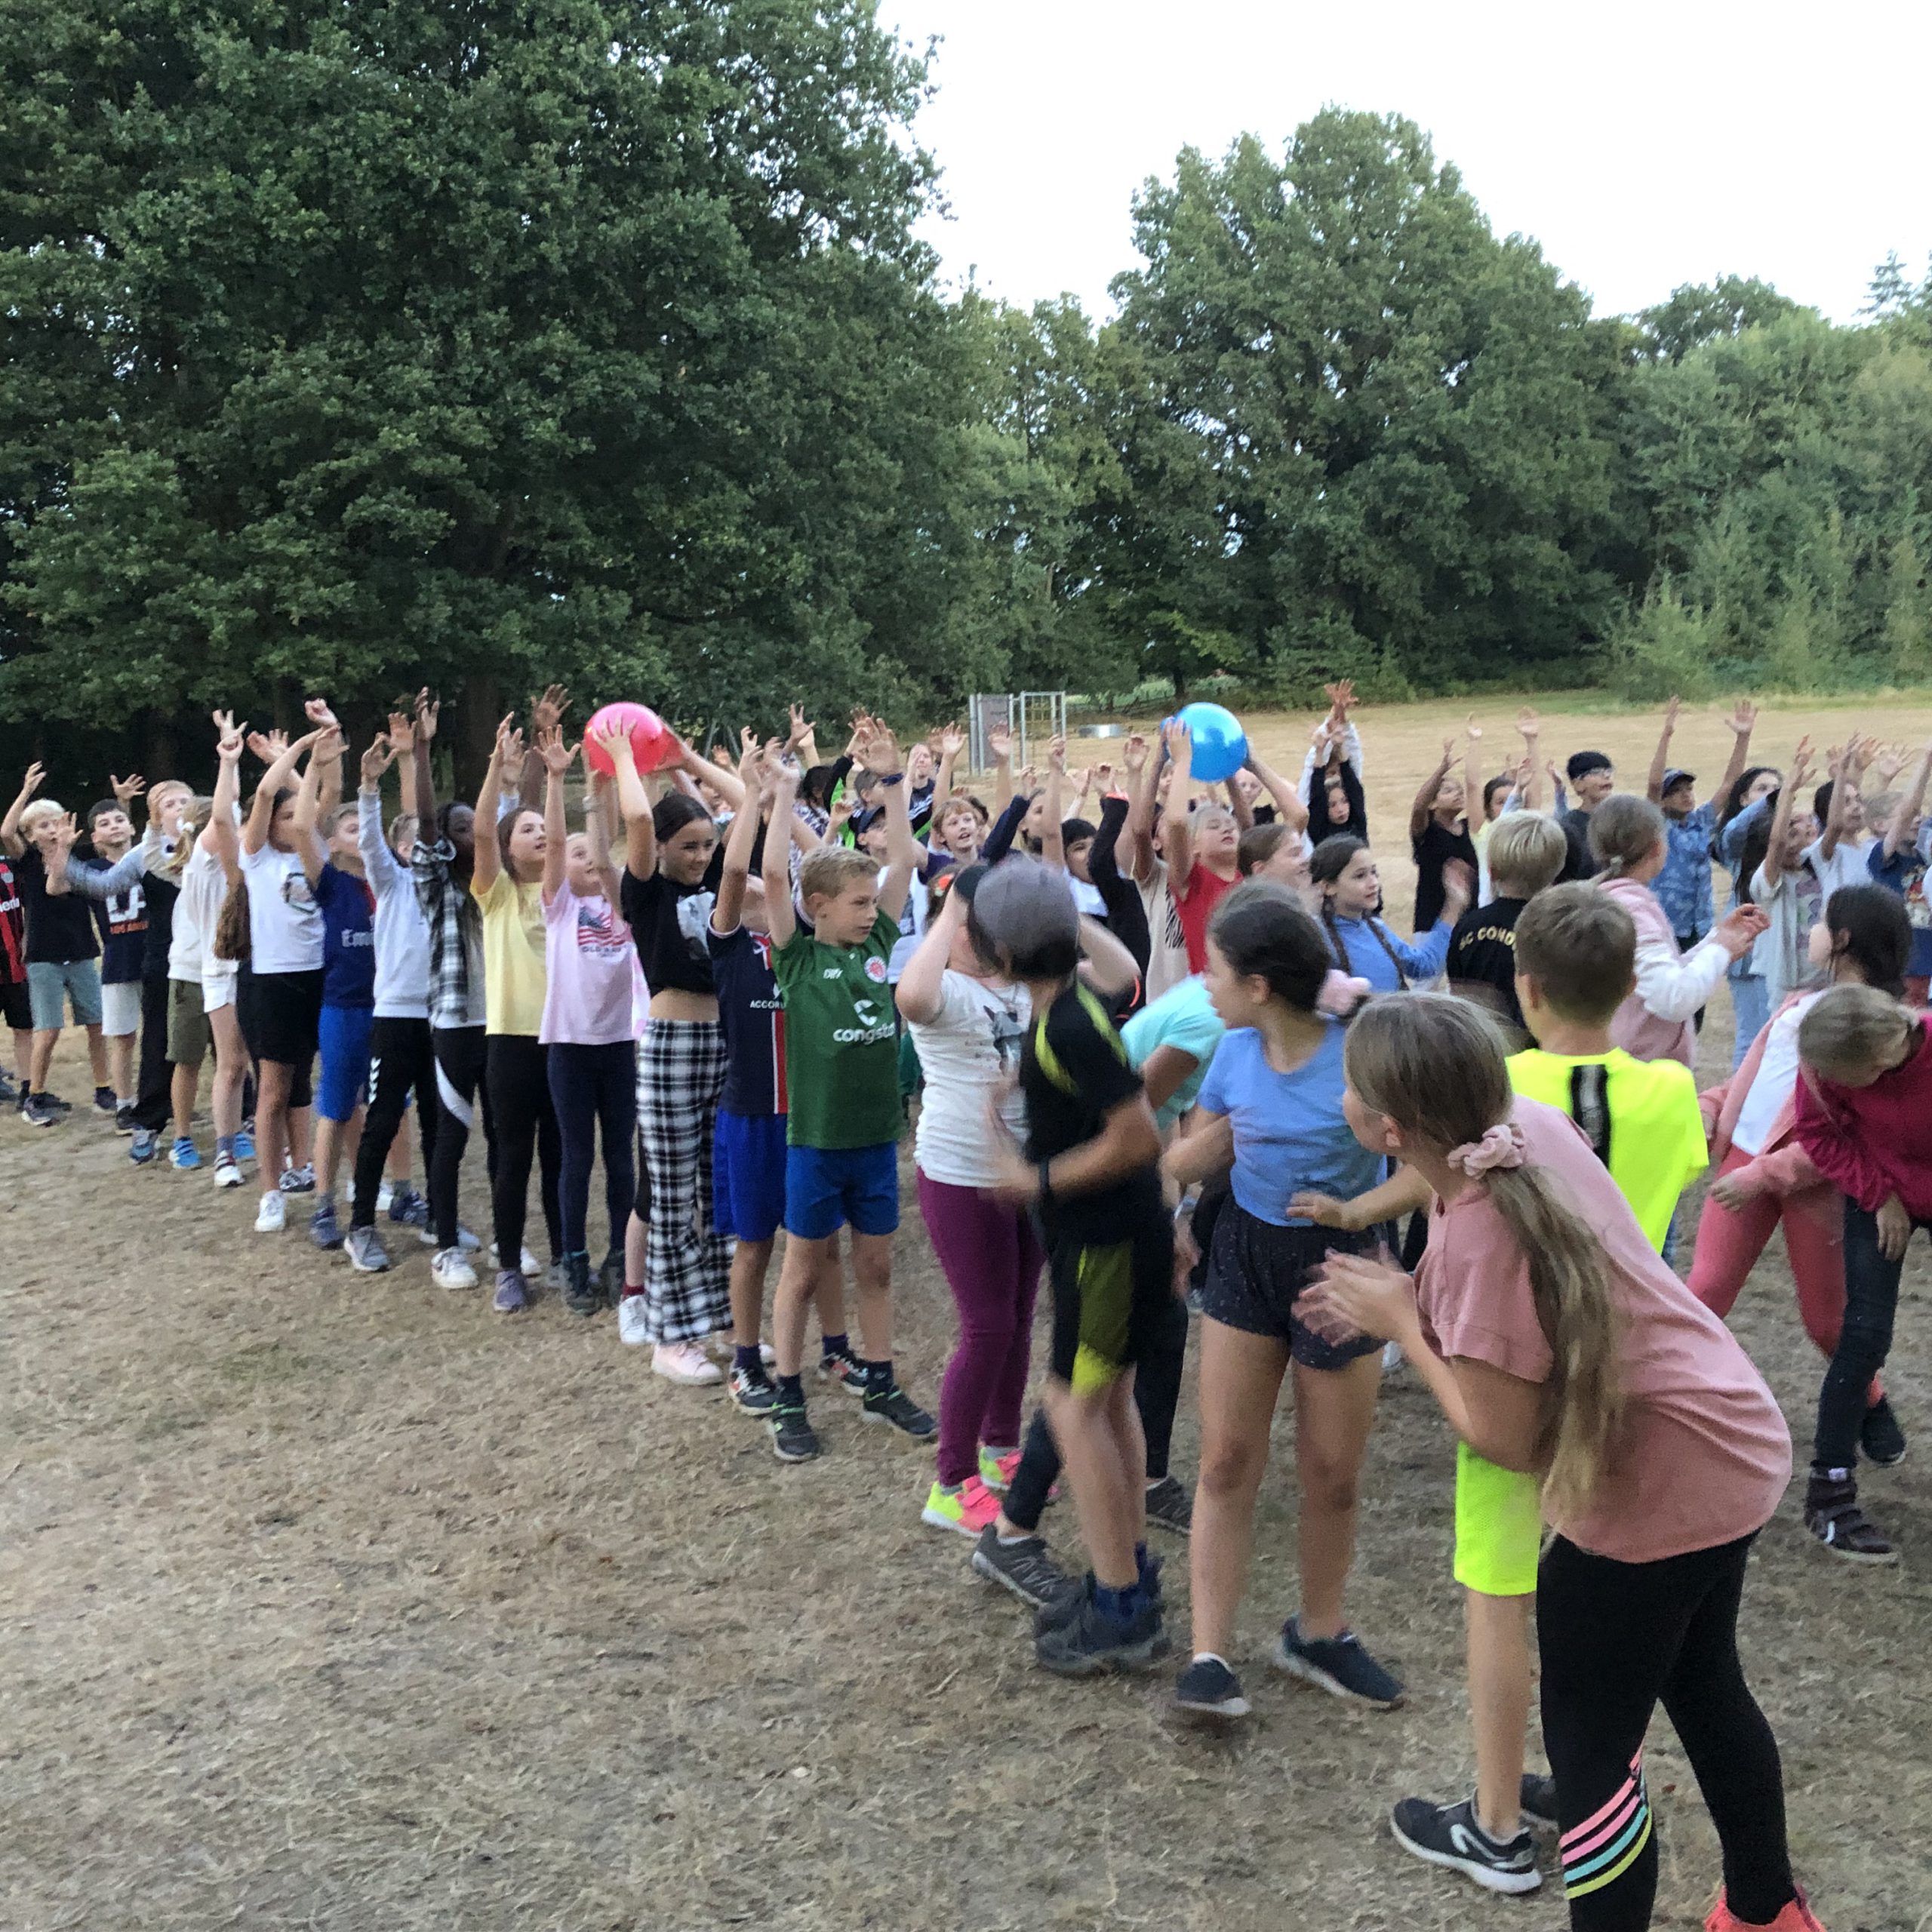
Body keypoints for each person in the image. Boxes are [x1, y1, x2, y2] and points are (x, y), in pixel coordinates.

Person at [1305, 996, 1818, 1932]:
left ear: (1388, 1128)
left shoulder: (1479, 1233)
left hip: (1654, 1494)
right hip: (1729, 1441)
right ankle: (1766, 1911)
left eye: (1349, 1084)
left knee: (1591, 1765)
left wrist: (1403, 1325)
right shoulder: (1522, 1127)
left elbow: (1501, 1438)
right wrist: (1412, 1295)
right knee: (1703, 1680)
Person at [1366, 887, 1711, 1897]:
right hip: (1626, 1383)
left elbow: (1448, 1183)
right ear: (1631, 983)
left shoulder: (1500, 1088)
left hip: (1506, 1371)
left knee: (1499, 1598)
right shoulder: (1669, 1091)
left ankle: (1496, 1822)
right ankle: (1591, 1782)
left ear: (1523, 988)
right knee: (1602, 1604)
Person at [1163, 882, 1410, 1720]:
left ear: (1260, 985)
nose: (1203, 982)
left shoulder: (1362, 1053)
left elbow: (1432, 1165)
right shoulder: (1233, 1050)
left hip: (1339, 1266)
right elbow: (1203, 1150)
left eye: (1215, 969)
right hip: (1245, 1255)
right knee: (1226, 1460)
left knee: (1331, 1471)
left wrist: (1357, 1214)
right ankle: (1208, 1658)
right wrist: (1173, 1209)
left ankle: (1319, 1633)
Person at [971, 858, 1172, 1675]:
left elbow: (1137, 1136)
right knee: (1108, 1400)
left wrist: (1037, 1180)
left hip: (1104, 1245)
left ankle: (1119, 1606)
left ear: (1000, 959)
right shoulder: (1072, 1001)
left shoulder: (1068, 1025)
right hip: (1114, 1238)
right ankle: (1128, 1575)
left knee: (1071, 1406)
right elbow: (1119, 974)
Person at [1690, 886, 1912, 1473]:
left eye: (1820, 920)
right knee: (1705, 1290)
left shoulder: (1868, 1029)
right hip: (1743, 1163)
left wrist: (1766, 1174)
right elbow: (1757, 1077)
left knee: (1828, 1321)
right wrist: (1713, 1106)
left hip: (1813, 1186)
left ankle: (1871, 1400)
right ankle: (1659, 1398)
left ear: (1843, 940)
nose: (1810, 927)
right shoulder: (1799, 1003)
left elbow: (1842, 1138)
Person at [760, 731, 933, 1461]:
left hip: (873, 1142)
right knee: (802, 1270)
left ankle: (880, 1381)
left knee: (877, 1266)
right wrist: (781, 792)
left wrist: (893, 781)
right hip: (817, 1145)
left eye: (872, 902)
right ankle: (787, 1393)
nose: (870, 912)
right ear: (818, 906)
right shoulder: (797, 958)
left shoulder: (877, 946)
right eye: (858, 903)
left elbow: (903, 860)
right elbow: (774, 875)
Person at [704, 746, 854, 1414]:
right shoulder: (730, 944)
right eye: (752, 890)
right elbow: (738, 869)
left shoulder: (812, 947)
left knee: (822, 1244)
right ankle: (745, 1360)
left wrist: (787, 797)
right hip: (751, 1116)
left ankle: (838, 1347)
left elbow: (827, 864)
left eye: (781, 887)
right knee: (755, 1245)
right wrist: (751, 798)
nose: (761, 892)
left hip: (811, 1118)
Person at [897, 863, 1041, 1536]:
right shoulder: (944, 988)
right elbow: (910, 997)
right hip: (960, 1173)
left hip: (1025, 1171)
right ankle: (951, 1483)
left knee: (1018, 1315)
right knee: (986, 1325)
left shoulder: (1020, 984)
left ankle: (1000, 1448)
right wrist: (954, 906)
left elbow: (1119, 974)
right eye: (976, 922)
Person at [609, 729, 742, 1377]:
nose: (700, 856)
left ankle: (725, 1322)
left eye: (707, 845)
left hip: (725, 1043)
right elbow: (638, 818)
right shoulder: (645, 889)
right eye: (687, 846)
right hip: (670, 1048)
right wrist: (624, 759)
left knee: (722, 1190)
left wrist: (688, 761)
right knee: (670, 1193)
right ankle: (670, 1338)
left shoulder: (714, 875)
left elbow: (751, 807)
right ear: (661, 847)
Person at [1795, 983, 1932, 1564]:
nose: (1823, 1082)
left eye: (1834, 1076)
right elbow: (1817, 1131)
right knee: (1865, 1334)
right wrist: (1879, 1195)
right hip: (1881, 1195)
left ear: (1876, 1061)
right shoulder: (1826, 1059)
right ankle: (1828, 1494)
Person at [530, 727, 640, 1316]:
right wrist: (556, 781)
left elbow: (607, 850)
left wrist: (601, 795)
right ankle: (573, 1259)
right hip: (570, 1046)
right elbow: (555, 845)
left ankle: (621, 1255)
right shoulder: (561, 906)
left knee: (621, 1155)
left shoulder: (622, 904)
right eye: (576, 856)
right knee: (577, 1156)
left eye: (592, 855)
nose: (587, 861)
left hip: (619, 1044)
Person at [472, 712, 564, 1312]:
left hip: (564, 1039)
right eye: (525, 829)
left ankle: (565, 1259)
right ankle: (509, 1266)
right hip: (509, 1040)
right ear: (508, 848)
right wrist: (495, 769)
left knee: (561, 1156)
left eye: (542, 829)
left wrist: (554, 779)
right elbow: (482, 831)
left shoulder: (564, 892)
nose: (538, 834)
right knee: (513, 1157)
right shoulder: (498, 894)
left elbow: (566, 841)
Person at [344, 713, 437, 1273]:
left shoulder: (452, 891)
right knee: (382, 1120)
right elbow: (373, 843)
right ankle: (361, 1226)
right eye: (417, 840)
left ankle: (441, 1219)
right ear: (399, 849)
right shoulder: (391, 880)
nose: (428, 846)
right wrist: (370, 785)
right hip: (397, 1017)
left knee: (440, 1122)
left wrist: (415, 755)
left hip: (444, 1018)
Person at [410, 693, 492, 1291]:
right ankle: (445, 1245)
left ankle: (507, 1242)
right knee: (451, 1134)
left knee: (508, 1136)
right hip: (456, 1021)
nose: (470, 834)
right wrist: (421, 750)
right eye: (459, 828)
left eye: (473, 826)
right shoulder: (436, 885)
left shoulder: (500, 884)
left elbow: (508, 820)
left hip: (505, 1022)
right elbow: (426, 826)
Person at [1589, 795, 1767, 1068]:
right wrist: (1720, 950)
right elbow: (1674, 999)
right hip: (1644, 1073)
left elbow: (1661, 975)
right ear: (1657, 847)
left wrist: (1717, 939)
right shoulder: (1632, 909)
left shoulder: (1615, 898)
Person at [237, 725, 331, 1227]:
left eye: (302, 818)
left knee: (321, 1081)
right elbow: (264, 795)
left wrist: (302, 765)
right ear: (271, 825)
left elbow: (314, 800)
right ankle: (271, 1192)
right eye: (287, 818)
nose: (297, 824)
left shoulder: (319, 856)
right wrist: (294, 751)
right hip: (274, 982)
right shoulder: (257, 859)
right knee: (273, 1091)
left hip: (323, 978)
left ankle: (318, 1172)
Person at [291, 737, 377, 1251]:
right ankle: (324, 1204)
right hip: (344, 1008)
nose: (362, 834)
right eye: (351, 829)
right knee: (337, 1107)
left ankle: (393, 1192)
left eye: (368, 826)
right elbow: (302, 827)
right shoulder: (330, 883)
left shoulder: (394, 881)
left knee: (390, 1109)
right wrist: (315, 767)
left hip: (390, 1011)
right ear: (335, 843)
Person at [2, 767, 110, 1125]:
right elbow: (6, 832)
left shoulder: (77, 855)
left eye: (56, 822)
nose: (51, 829)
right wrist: (25, 792)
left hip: (81, 950)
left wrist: (122, 802)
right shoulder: (27, 862)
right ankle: (34, 1096)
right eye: (43, 825)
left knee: (97, 1024)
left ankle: (104, 1088)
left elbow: (111, 844)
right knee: (48, 1031)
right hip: (43, 956)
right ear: (31, 835)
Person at [180, 713, 253, 1184]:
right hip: (222, 972)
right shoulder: (205, 860)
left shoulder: (237, 858)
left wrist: (234, 760)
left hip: (256, 969)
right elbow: (226, 813)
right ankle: (225, 1152)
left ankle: (276, 1145)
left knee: (264, 1064)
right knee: (232, 1064)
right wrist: (228, 760)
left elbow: (232, 809)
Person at [1645, 697, 1758, 954]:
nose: (1686, 795)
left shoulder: (1701, 821)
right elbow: (1653, 785)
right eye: (1676, 791)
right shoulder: (1655, 824)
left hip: (1700, 923)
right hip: (1664, 925)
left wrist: (1743, 738)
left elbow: (1730, 784)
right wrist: (1666, 735)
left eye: (1688, 789)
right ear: (1662, 800)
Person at [1447, 813, 1568, 1049]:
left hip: (1478, 1047)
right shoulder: (1555, 930)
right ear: (1557, 870)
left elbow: (1456, 990)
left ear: (1491, 872)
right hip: (1535, 1052)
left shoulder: (1468, 925)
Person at [1311, 834, 1466, 992]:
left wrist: (1453, 905)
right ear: (1328, 887)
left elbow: (1424, 966)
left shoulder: (1377, 928)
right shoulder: (1317, 939)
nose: (1373, 883)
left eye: (1374, 872)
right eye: (1360, 876)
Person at [1160, 718, 1244, 976]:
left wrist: (1238, 763)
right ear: (1192, 845)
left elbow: (1299, 816)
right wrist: (1183, 760)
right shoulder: (1191, 880)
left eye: (1230, 825)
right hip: (1211, 992)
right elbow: (1177, 822)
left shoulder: (1250, 872)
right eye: (1214, 826)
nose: (1227, 829)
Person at [1749, 742, 1827, 1012]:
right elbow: (1777, 843)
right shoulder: (1768, 879)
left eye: (1803, 822)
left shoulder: (1819, 866)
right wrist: (1788, 793)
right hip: (1789, 987)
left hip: (1827, 980)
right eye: (1790, 824)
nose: (1798, 828)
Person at [1715, 764, 1784, 1069]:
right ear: (1743, 799)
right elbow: (1734, 831)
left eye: (1776, 788)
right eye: (1762, 788)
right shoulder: (1735, 844)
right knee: (1752, 1034)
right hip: (1747, 947)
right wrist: (1772, 801)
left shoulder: (1790, 841)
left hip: (1778, 947)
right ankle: (1740, 1095)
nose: (1771, 794)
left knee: (1775, 1032)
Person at [1866, 731, 1932, 1004]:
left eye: (1920, 816)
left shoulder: (1925, 859)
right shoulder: (1882, 859)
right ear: (1880, 825)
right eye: (1910, 816)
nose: (1917, 819)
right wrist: (1927, 760)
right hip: (1906, 967)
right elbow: (1908, 810)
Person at [1410, 725, 1480, 935]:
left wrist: (1474, 743)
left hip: (1468, 920)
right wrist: (1442, 770)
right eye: (1448, 791)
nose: (1458, 793)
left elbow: (1475, 788)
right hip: (1432, 922)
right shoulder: (1427, 831)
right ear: (1433, 804)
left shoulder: (1468, 827)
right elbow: (1419, 808)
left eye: (1459, 790)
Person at [1558, 749, 1616, 881]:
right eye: (1596, 772)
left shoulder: (1622, 819)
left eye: (1609, 771)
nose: (1606, 776)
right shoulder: (1568, 827)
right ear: (1578, 784)